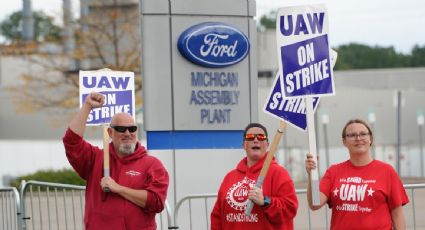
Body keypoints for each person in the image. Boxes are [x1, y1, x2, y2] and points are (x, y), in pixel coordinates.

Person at [63, 92, 169, 230]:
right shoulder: (95, 158)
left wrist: (118, 188)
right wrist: (87, 106)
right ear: (110, 133)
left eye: (132, 128)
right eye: (120, 129)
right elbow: (72, 141)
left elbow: (156, 202)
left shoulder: (152, 165)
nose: (127, 133)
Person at [305, 119, 409, 230]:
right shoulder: (334, 171)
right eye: (352, 135)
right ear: (344, 141)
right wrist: (312, 175)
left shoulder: (387, 171)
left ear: (370, 139)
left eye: (363, 134)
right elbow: (315, 204)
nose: (358, 138)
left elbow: (397, 213)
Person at [211, 123, 298, 230]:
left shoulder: (279, 173)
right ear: (244, 145)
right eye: (250, 137)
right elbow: (217, 216)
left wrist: (265, 201)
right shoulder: (230, 177)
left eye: (261, 137)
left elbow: (290, 210)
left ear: (267, 144)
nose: (256, 140)